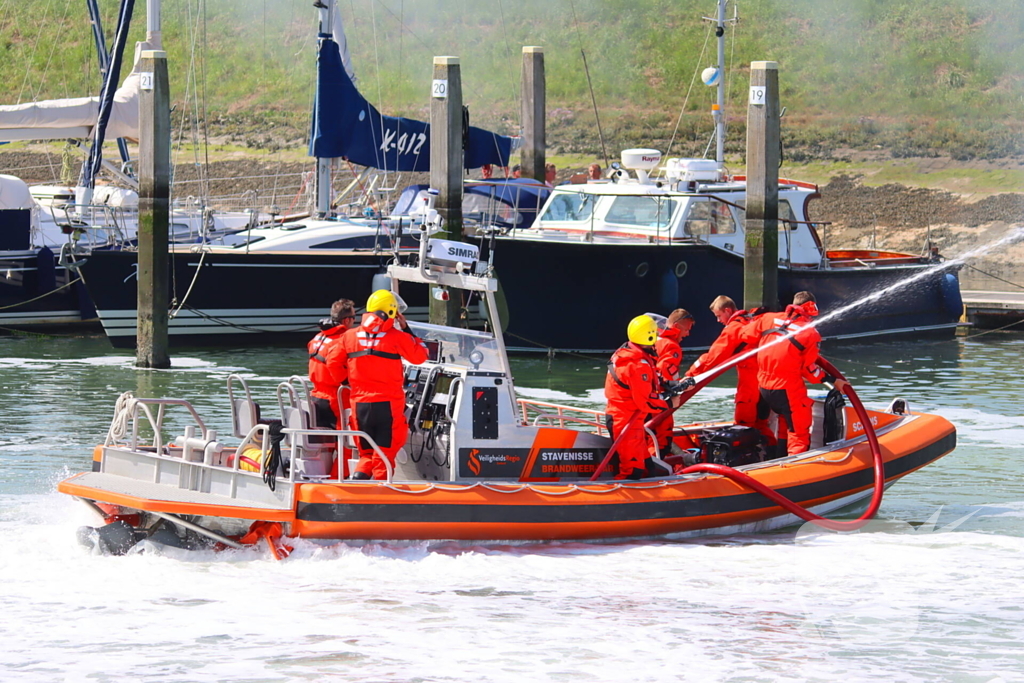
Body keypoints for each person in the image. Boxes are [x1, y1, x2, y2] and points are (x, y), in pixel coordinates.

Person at [336, 289, 428, 480]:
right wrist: (407, 329)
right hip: (388, 405)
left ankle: (357, 485)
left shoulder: (349, 336)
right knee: (383, 455)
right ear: (392, 312)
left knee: (367, 454)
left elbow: (333, 364)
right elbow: (421, 356)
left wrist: (349, 381)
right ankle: (379, 497)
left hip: (360, 404)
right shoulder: (397, 337)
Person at [746, 292, 847, 456]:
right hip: (788, 391)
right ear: (812, 308)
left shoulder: (768, 319)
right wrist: (832, 380)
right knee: (799, 433)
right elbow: (810, 371)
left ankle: (776, 456)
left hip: (764, 388)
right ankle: (793, 469)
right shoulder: (810, 334)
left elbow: (746, 335)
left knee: (784, 420)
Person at [685, 296, 769, 440]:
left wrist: (690, 375)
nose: (718, 320)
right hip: (767, 381)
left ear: (728, 310)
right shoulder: (753, 322)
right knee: (761, 425)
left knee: (744, 423)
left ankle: (746, 457)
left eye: (719, 316)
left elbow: (713, 357)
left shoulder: (734, 328)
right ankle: (772, 452)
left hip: (750, 382)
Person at [604, 315, 671, 479]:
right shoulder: (636, 364)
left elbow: (645, 386)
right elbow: (645, 401)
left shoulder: (629, 354)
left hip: (631, 420)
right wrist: (668, 402)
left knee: (648, 467)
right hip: (625, 421)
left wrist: (669, 386)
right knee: (632, 471)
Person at [308, 298, 356, 429]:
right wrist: (346, 382)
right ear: (346, 320)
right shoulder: (343, 339)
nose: (354, 321)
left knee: (326, 434)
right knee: (345, 433)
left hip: (316, 395)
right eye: (354, 317)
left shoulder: (318, 337)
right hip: (337, 397)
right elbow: (333, 363)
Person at [653, 309, 694, 456]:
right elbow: (665, 377)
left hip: (649, 401)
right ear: (676, 326)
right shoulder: (671, 346)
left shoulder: (656, 341)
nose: (688, 334)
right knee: (661, 441)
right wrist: (678, 387)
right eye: (686, 329)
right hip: (662, 403)